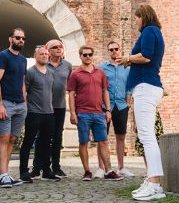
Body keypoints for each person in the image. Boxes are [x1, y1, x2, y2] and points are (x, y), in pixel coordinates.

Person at [122, 4, 166, 201]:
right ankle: (151, 180)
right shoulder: (154, 32)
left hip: (145, 87)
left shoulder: (149, 31)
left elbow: (146, 56)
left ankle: (155, 184)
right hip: (147, 87)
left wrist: (128, 58)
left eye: (137, 18)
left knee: (147, 137)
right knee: (146, 136)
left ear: (144, 16)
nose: (136, 21)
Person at [68, 46, 121, 181]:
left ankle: (108, 171)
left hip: (99, 113)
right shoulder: (75, 74)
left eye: (90, 54)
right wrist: (73, 113)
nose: (87, 57)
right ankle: (87, 171)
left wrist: (108, 110)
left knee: (103, 142)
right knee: (83, 143)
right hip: (82, 113)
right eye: (84, 55)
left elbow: (105, 92)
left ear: (93, 56)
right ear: (80, 56)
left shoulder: (100, 72)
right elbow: (71, 94)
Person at [0, 27, 28, 188]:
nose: (20, 40)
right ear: (10, 39)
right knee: (3, 137)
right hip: (5, 103)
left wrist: (24, 101)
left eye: (23, 38)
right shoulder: (2, 56)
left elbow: (22, 82)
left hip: (20, 104)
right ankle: (2, 175)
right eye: (17, 37)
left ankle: (5, 173)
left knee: (13, 139)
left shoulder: (23, 60)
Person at [19, 45, 60, 183]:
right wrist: (26, 108)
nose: (44, 55)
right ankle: (23, 172)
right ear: (35, 56)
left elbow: (50, 92)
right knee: (28, 142)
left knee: (46, 143)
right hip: (33, 112)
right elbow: (24, 92)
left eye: (45, 54)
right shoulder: (30, 72)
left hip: (49, 113)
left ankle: (46, 171)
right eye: (41, 54)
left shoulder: (51, 73)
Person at [32, 38, 71, 178]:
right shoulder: (43, 64)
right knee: (41, 137)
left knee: (57, 137)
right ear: (48, 50)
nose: (58, 49)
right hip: (43, 107)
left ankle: (56, 167)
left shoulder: (67, 65)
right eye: (54, 47)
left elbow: (70, 86)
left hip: (59, 106)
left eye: (60, 47)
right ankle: (37, 167)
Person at [100, 41, 135, 178]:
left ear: (119, 50)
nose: (114, 51)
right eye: (111, 49)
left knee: (121, 136)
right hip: (106, 106)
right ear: (108, 52)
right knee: (102, 137)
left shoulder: (126, 68)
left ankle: (121, 167)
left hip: (121, 105)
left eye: (116, 49)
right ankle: (101, 168)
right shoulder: (102, 68)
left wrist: (128, 101)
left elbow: (130, 85)